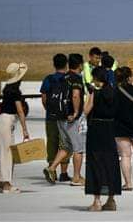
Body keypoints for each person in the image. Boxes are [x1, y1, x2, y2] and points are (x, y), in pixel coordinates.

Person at [44, 53, 86, 187]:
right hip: (71, 119)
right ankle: (76, 177)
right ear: (80, 65)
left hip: (59, 117)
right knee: (78, 149)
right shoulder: (76, 78)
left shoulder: (64, 77)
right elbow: (75, 95)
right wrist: (75, 112)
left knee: (66, 146)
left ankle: (51, 168)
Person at [84, 67, 120, 211]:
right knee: (111, 163)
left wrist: (90, 94)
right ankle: (111, 199)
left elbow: (87, 110)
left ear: (97, 78)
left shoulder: (96, 93)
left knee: (95, 163)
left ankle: (97, 200)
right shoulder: (115, 92)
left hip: (96, 129)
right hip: (110, 128)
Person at [0, 62, 29, 193]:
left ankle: (0, 182)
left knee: (6, 152)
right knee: (7, 154)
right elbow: (20, 111)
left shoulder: (7, 87)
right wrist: (25, 129)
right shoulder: (15, 90)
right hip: (7, 121)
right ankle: (6, 185)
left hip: (4, 120)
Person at [40, 53, 71, 182]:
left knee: (52, 142)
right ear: (66, 64)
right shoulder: (70, 78)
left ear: (54, 64)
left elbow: (44, 98)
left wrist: (50, 110)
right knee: (65, 144)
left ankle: (51, 168)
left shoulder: (48, 79)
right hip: (65, 117)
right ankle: (64, 173)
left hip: (51, 117)